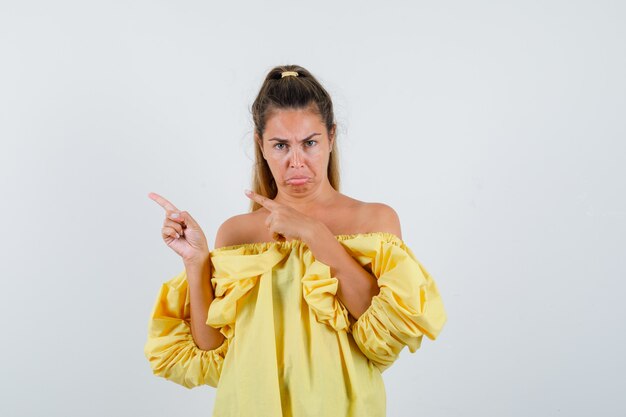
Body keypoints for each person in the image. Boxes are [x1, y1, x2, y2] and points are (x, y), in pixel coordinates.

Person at [144, 64, 447, 417]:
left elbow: (383, 339)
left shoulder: (374, 222)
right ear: (261, 145)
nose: (296, 162)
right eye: (280, 145)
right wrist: (196, 262)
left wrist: (316, 236)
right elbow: (213, 354)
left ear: (331, 138)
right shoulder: (237, 234)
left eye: (310, 143)